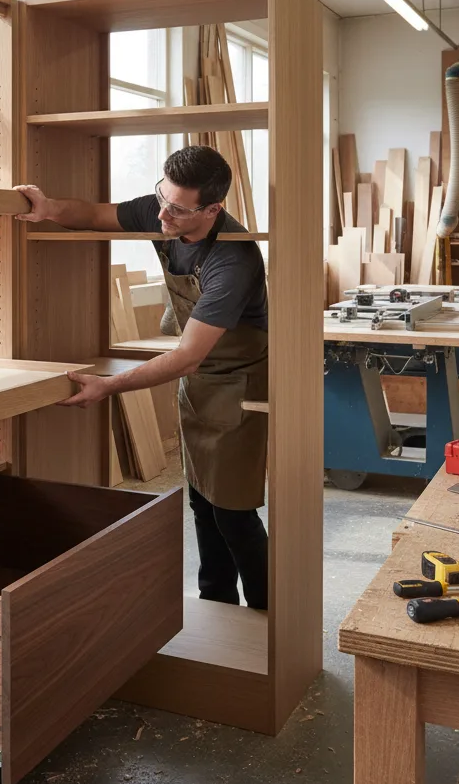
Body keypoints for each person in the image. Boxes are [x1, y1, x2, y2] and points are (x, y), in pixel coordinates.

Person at [15, 145, 269, 610]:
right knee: (201, 503)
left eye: (177, 208)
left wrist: (109, 385)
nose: (163, 213)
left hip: (238, 385)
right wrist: (49, 209)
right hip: (201, 385)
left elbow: (188, 356)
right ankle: (217, 604)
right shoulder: (163, 209)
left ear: (213, 209)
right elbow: (94, 213)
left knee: (233, 512)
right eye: (162, 198)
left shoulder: (234, 259)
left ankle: (268, 613)